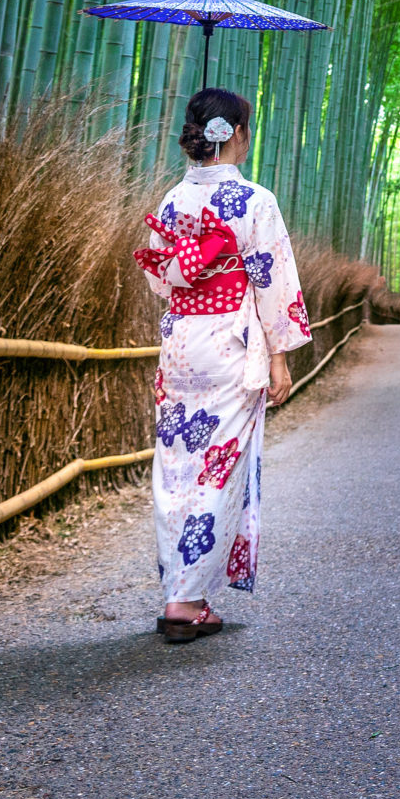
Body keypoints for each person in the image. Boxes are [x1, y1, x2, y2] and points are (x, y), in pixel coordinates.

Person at [135, 86, 314, 643]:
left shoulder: (169, 201)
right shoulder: (256, 201)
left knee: (175, 465)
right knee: (217, 466)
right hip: (232, 343)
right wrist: (280, 360)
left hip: (181, 341)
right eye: (247, 128)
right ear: (236, 133)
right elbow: (272, 281)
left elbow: (156, 279)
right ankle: (187, 602)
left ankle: (180, 590)